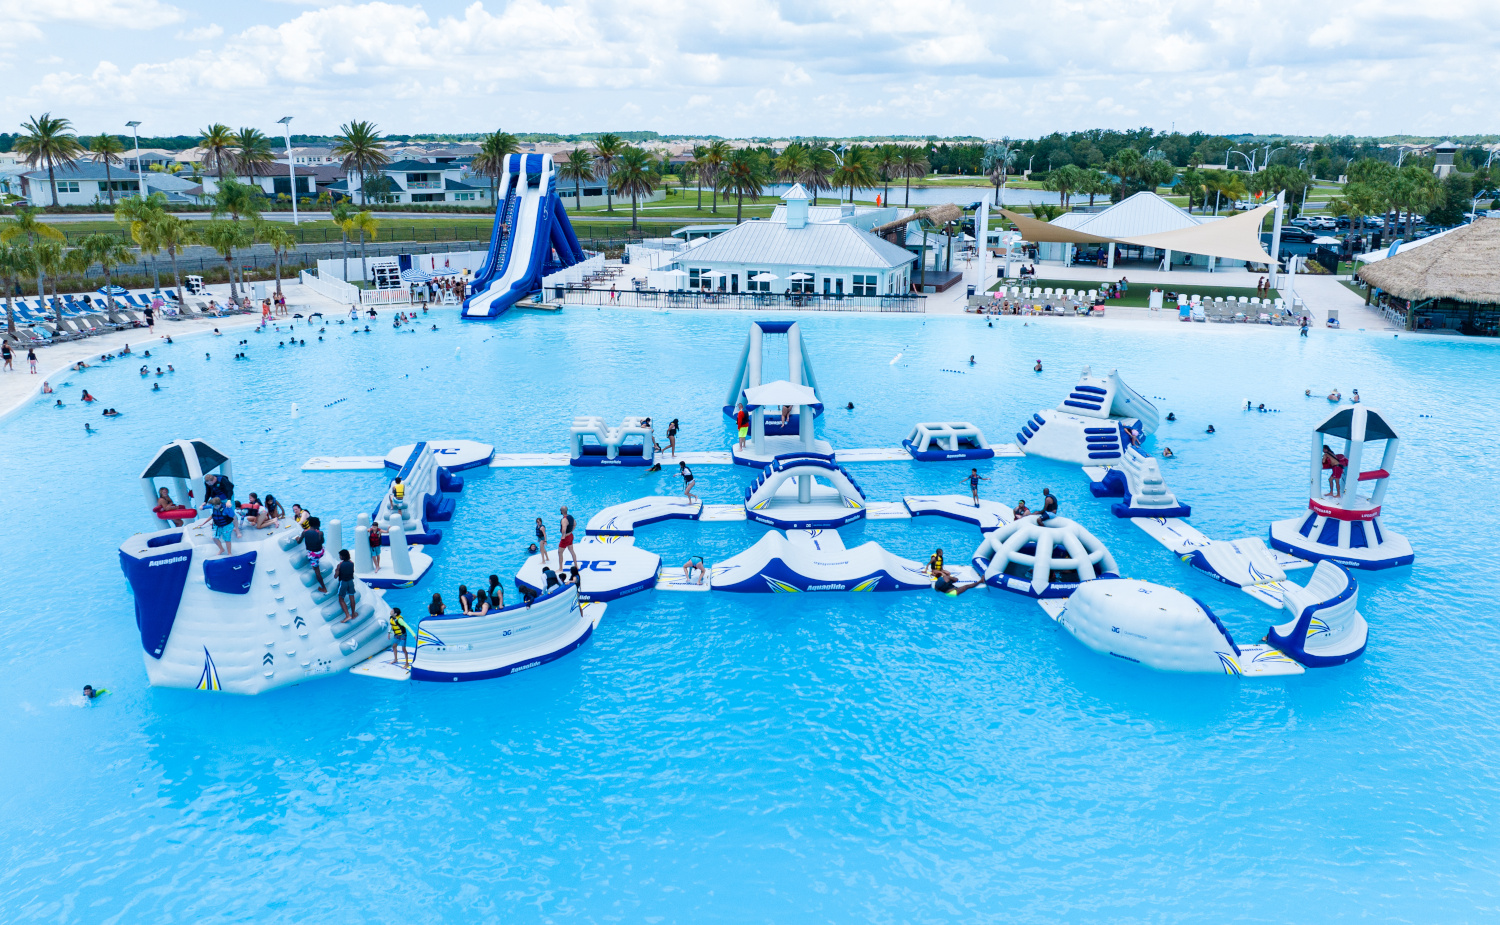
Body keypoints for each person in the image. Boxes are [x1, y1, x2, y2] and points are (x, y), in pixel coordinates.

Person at [302, 517, 328, 591]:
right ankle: (315, 564)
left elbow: (299, 541)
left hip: (313, 555)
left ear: (309, 524)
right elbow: (322, 541)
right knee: (318, 550)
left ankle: (324, 588)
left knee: (317, 572)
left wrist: (298, 538)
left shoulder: (305, 532)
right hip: (321, 552)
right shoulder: (320, 533)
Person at [335, 550, 357, 622]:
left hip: (343, 583)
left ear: (343, 556)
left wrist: (336, 571)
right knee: (352, 598)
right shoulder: (352, 563)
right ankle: (353, 614)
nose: (339, 557)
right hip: (351, 582)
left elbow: (335, 576)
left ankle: (347, 615)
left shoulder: (340, 565)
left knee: (341, 599)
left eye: (340, 555)